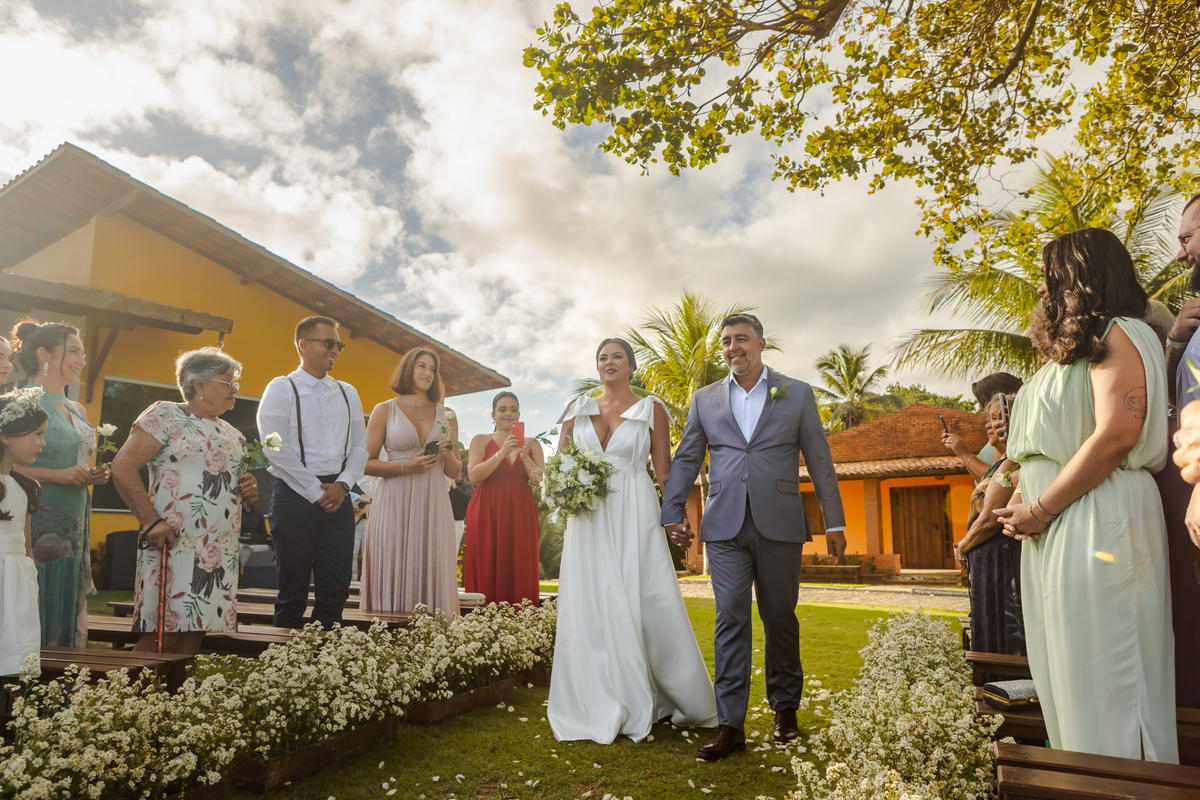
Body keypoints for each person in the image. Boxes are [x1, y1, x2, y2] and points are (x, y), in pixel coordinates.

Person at [994, 227, 1176, 762]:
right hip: (1055, 525)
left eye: (1049, 275)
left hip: (1098, 517)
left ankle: (1126, 786)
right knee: (1066, 676)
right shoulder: (1071, 353)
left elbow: (1117, 434)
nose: (1042, 287)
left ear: (1079, 276)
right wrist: (1026, 499)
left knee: (1107, 679)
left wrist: (1041, 507)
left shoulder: (1123, 333)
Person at [660, 314, 846, 761]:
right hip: (724, 526)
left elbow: (819, 459)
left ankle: (785, 711)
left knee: (780, 617)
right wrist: (671, 511)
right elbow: (687, 458)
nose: (732, 347)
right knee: (730, 618)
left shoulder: (796, 393)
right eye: (726, 341)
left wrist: (834, 522)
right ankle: (730, 725)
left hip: (780, 523)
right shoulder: (705, 399)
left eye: (741, 338)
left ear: (761, 344)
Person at [548, 338, 717, 744]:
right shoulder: (576, 409)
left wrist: (676, 515)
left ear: (631, 365)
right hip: (588, 517)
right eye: (602, 358)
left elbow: (664, 471)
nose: (608, 363)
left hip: (634, 511)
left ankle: (658, 692)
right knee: (592, 598)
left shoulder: (651, 408)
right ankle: (597, 694)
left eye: (617, 357)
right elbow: (560, 464)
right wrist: (563, 491)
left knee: (644, 595)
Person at [111, 348, 258, 654]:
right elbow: (123, 467)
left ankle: (178, 687)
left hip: (218, 551)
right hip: (173, 542)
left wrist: (249, 488)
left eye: (235, 382)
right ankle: (129, 688)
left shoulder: (234, 434)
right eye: (228, 381)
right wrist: (150, 520)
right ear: (198, 384)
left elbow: (224, 486)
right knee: (161, 636)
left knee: (194, 634)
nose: (235, 389)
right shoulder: (165, 414)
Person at [257, 317, 367, 630]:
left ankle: (324, 657)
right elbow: (272, 445)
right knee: (292, 591)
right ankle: (284, 659)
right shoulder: (281, 388)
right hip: (294, 496)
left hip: (339, 495)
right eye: (329, 343)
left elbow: (360, 447)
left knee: (335, 590)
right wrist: (315, 491)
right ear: (303, 345)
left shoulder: (348, 392)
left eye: (339, 344)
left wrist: (343, 485)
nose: (336, 350)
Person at [9, 320, 108, 647]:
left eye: (83, 353)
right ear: (44, 354)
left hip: (74, 524)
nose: (82, 360)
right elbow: (4, 465)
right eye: (74, 351)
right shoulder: (21, 403)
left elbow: (73, 462)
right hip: (37, 521)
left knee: (65, 602)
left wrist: (92, 474)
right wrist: (57, 475)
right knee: (37, 598)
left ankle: (61, 674)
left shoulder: (75, 408)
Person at [360, 348, 461, 615]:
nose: (428, 373)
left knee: (432, 565)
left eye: (433, 369)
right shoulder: (385, 410)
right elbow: (366, 463)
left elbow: (455, 472)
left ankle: (433, 636)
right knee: (391, 563)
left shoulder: (448, 415)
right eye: (421, 366)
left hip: (433, 502)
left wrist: (448, 453)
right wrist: (406, 467)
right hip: (394, 501)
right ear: (408, 369)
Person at [955, 393, 1025, 657]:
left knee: (1002, 631)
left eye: (997, 418)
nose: (989, 424)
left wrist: (963, 547)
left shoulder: (1012, 462)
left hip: (1000, 563)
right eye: (989, 418)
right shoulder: (1000, 462)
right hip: (989, 562)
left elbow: (990, 519)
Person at [463, 391, 542, 606]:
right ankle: (484, 617)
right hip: (487, 508)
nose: (508, 414)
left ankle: (521, 616)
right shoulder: (481, 440)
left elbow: (540, 482)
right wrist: (501, 453)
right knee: (487, 559)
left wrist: (525, 457)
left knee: (520, 561)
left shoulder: (532, 444)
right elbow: (474, 477)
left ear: (519, 414)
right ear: (493, 415)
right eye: (502, 409)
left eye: (513, 410)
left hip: (520, 509)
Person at [0, 388, 48, 676]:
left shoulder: (26, 487)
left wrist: (33, 591)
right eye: (37, 434)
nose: (43, 442)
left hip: (17, 587)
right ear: (6, 436)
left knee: (12, 661)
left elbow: (27, 548)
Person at [350, 492, 370, 582]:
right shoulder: (353, 486)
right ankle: (353, 579)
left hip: (369, 522)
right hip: (355, 522)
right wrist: (351, 505)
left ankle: (366, 579)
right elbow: (347, 494)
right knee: (353, 552)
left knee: (367, 552)